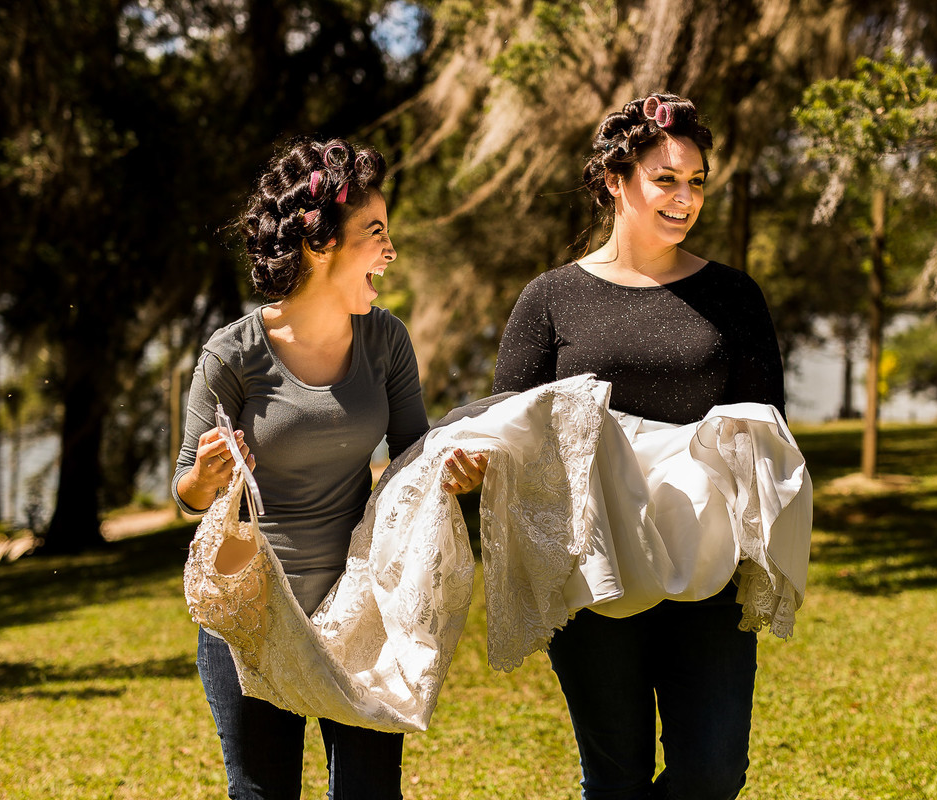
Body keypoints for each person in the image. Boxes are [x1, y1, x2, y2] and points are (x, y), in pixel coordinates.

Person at [493, 93, 787, 800]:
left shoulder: (735, 295)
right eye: (665, 179)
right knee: (615, 777)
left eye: (697, 181)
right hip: (595, 570)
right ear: (613, 182)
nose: (685, 198)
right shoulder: (551, 298)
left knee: (714, 772)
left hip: (709, 564)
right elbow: (511, 425)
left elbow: (767, 423)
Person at [172, 136, 485, 800]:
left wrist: (451, 471)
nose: (390, 252)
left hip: (361, 615)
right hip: (253, 619)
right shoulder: (232, 355)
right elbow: (186, 490)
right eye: (375, 234)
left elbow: (411, 457)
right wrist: (207, 475)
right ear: (320, 246)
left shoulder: (385, 339)